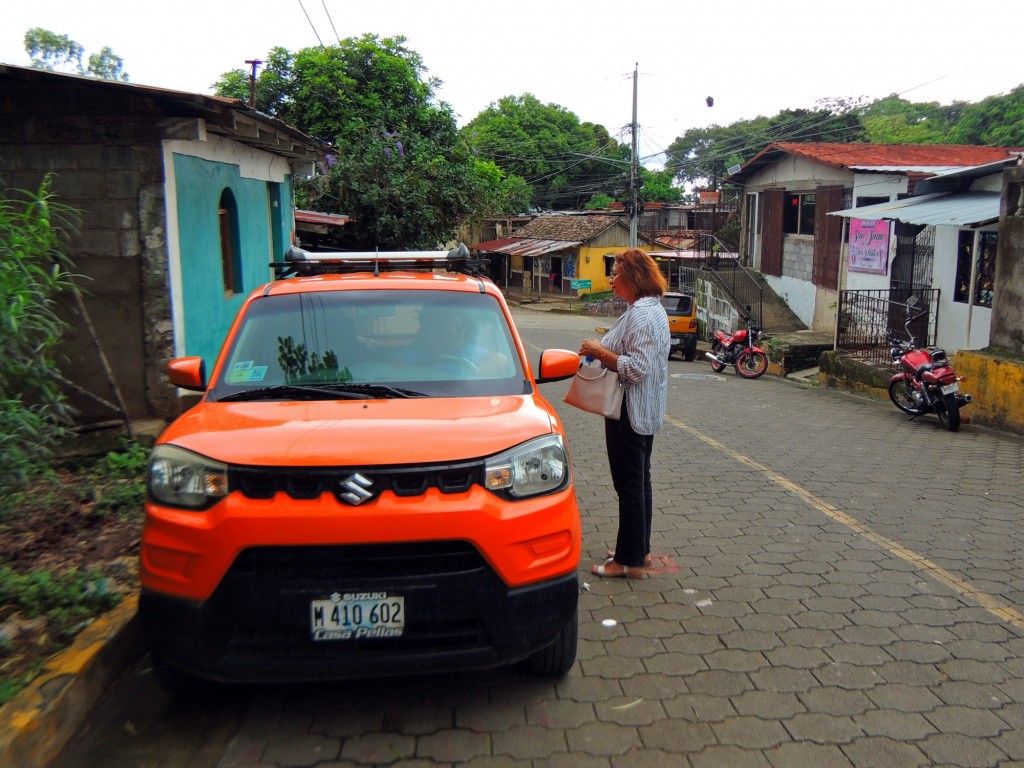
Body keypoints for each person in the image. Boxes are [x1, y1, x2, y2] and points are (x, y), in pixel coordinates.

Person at [579, 249, 670, 579]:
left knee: (630, 487)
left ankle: (628, 563)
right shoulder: (647, 309)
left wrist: (598, 352)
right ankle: (637, 551)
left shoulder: (643, 315)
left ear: (633, 277)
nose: (611, 280)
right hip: (641, 411)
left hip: (630, 412)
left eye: (616, 274)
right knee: (638, 483)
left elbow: (638, 368)